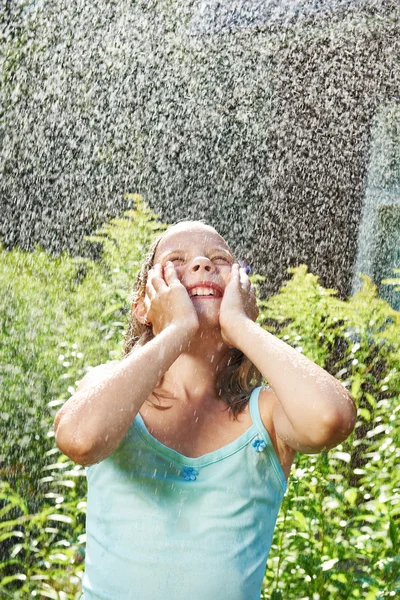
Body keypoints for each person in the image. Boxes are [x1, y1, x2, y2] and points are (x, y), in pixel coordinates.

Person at [54, 220, 357, 600]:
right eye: (176, 261)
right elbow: (79, 439)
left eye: (220, 259)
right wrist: (176, 330)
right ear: (143, 304)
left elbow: (333, 417)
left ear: (243, 292)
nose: (201, 264)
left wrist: (240, 325)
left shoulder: (264, 414)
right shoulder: (111, 390)